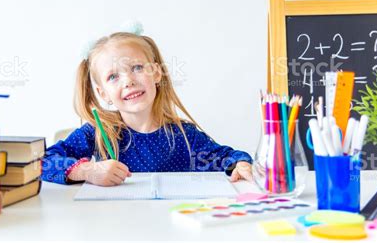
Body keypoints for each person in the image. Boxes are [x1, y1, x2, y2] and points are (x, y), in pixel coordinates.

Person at [42, 23, 253, 186]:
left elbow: (227, 158)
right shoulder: (98, 133)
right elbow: (43, 161)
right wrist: (88, 171)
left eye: (137, 67)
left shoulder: (184, 136)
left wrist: (239, 164)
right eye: (113, 76)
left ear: (157, 73)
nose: (128, 81)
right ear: (102, 93)